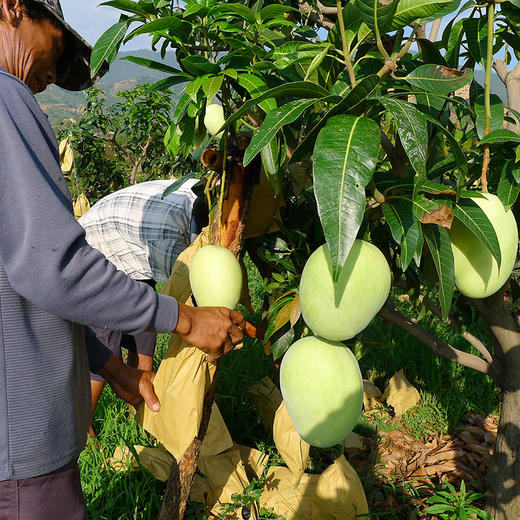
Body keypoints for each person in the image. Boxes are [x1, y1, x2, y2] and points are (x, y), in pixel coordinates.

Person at [0, 1, 253, 518]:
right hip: (20, 446)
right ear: (12, 7)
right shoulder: (6, 99)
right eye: (58, 41)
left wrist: (107, 365)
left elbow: (17, 277)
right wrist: (184, 319)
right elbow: (54, 267)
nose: (52, 72)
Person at [78, 178, 208, 438]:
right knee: (106, 341)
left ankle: (141, 413)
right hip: (99, 246)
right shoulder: (174, 240)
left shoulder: (207, 200)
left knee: (146, 331)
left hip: (133, 245)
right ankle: (84, 427)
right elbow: (187, 306)